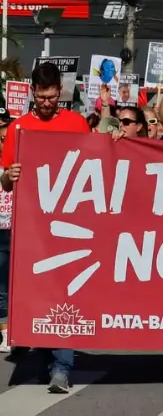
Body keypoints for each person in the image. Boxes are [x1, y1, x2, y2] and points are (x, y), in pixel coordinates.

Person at [0, 62, 96, 394]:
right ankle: (45, 357)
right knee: (38, 298)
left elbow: (98, 166)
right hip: (31, 230)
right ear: (32, 92)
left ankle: (62, 367)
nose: (46, 103)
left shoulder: (77, 123)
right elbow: (5, 181)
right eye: (41, 97)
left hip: (70, 228)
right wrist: (7, 177)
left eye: (52, 97)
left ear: (61, 92)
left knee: (62, 293)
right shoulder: (18, 128)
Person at [0, 109, 13, 354]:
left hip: (20, 232)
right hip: (0, 233)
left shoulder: (21, 163)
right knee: (1, 287)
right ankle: (4, 331)